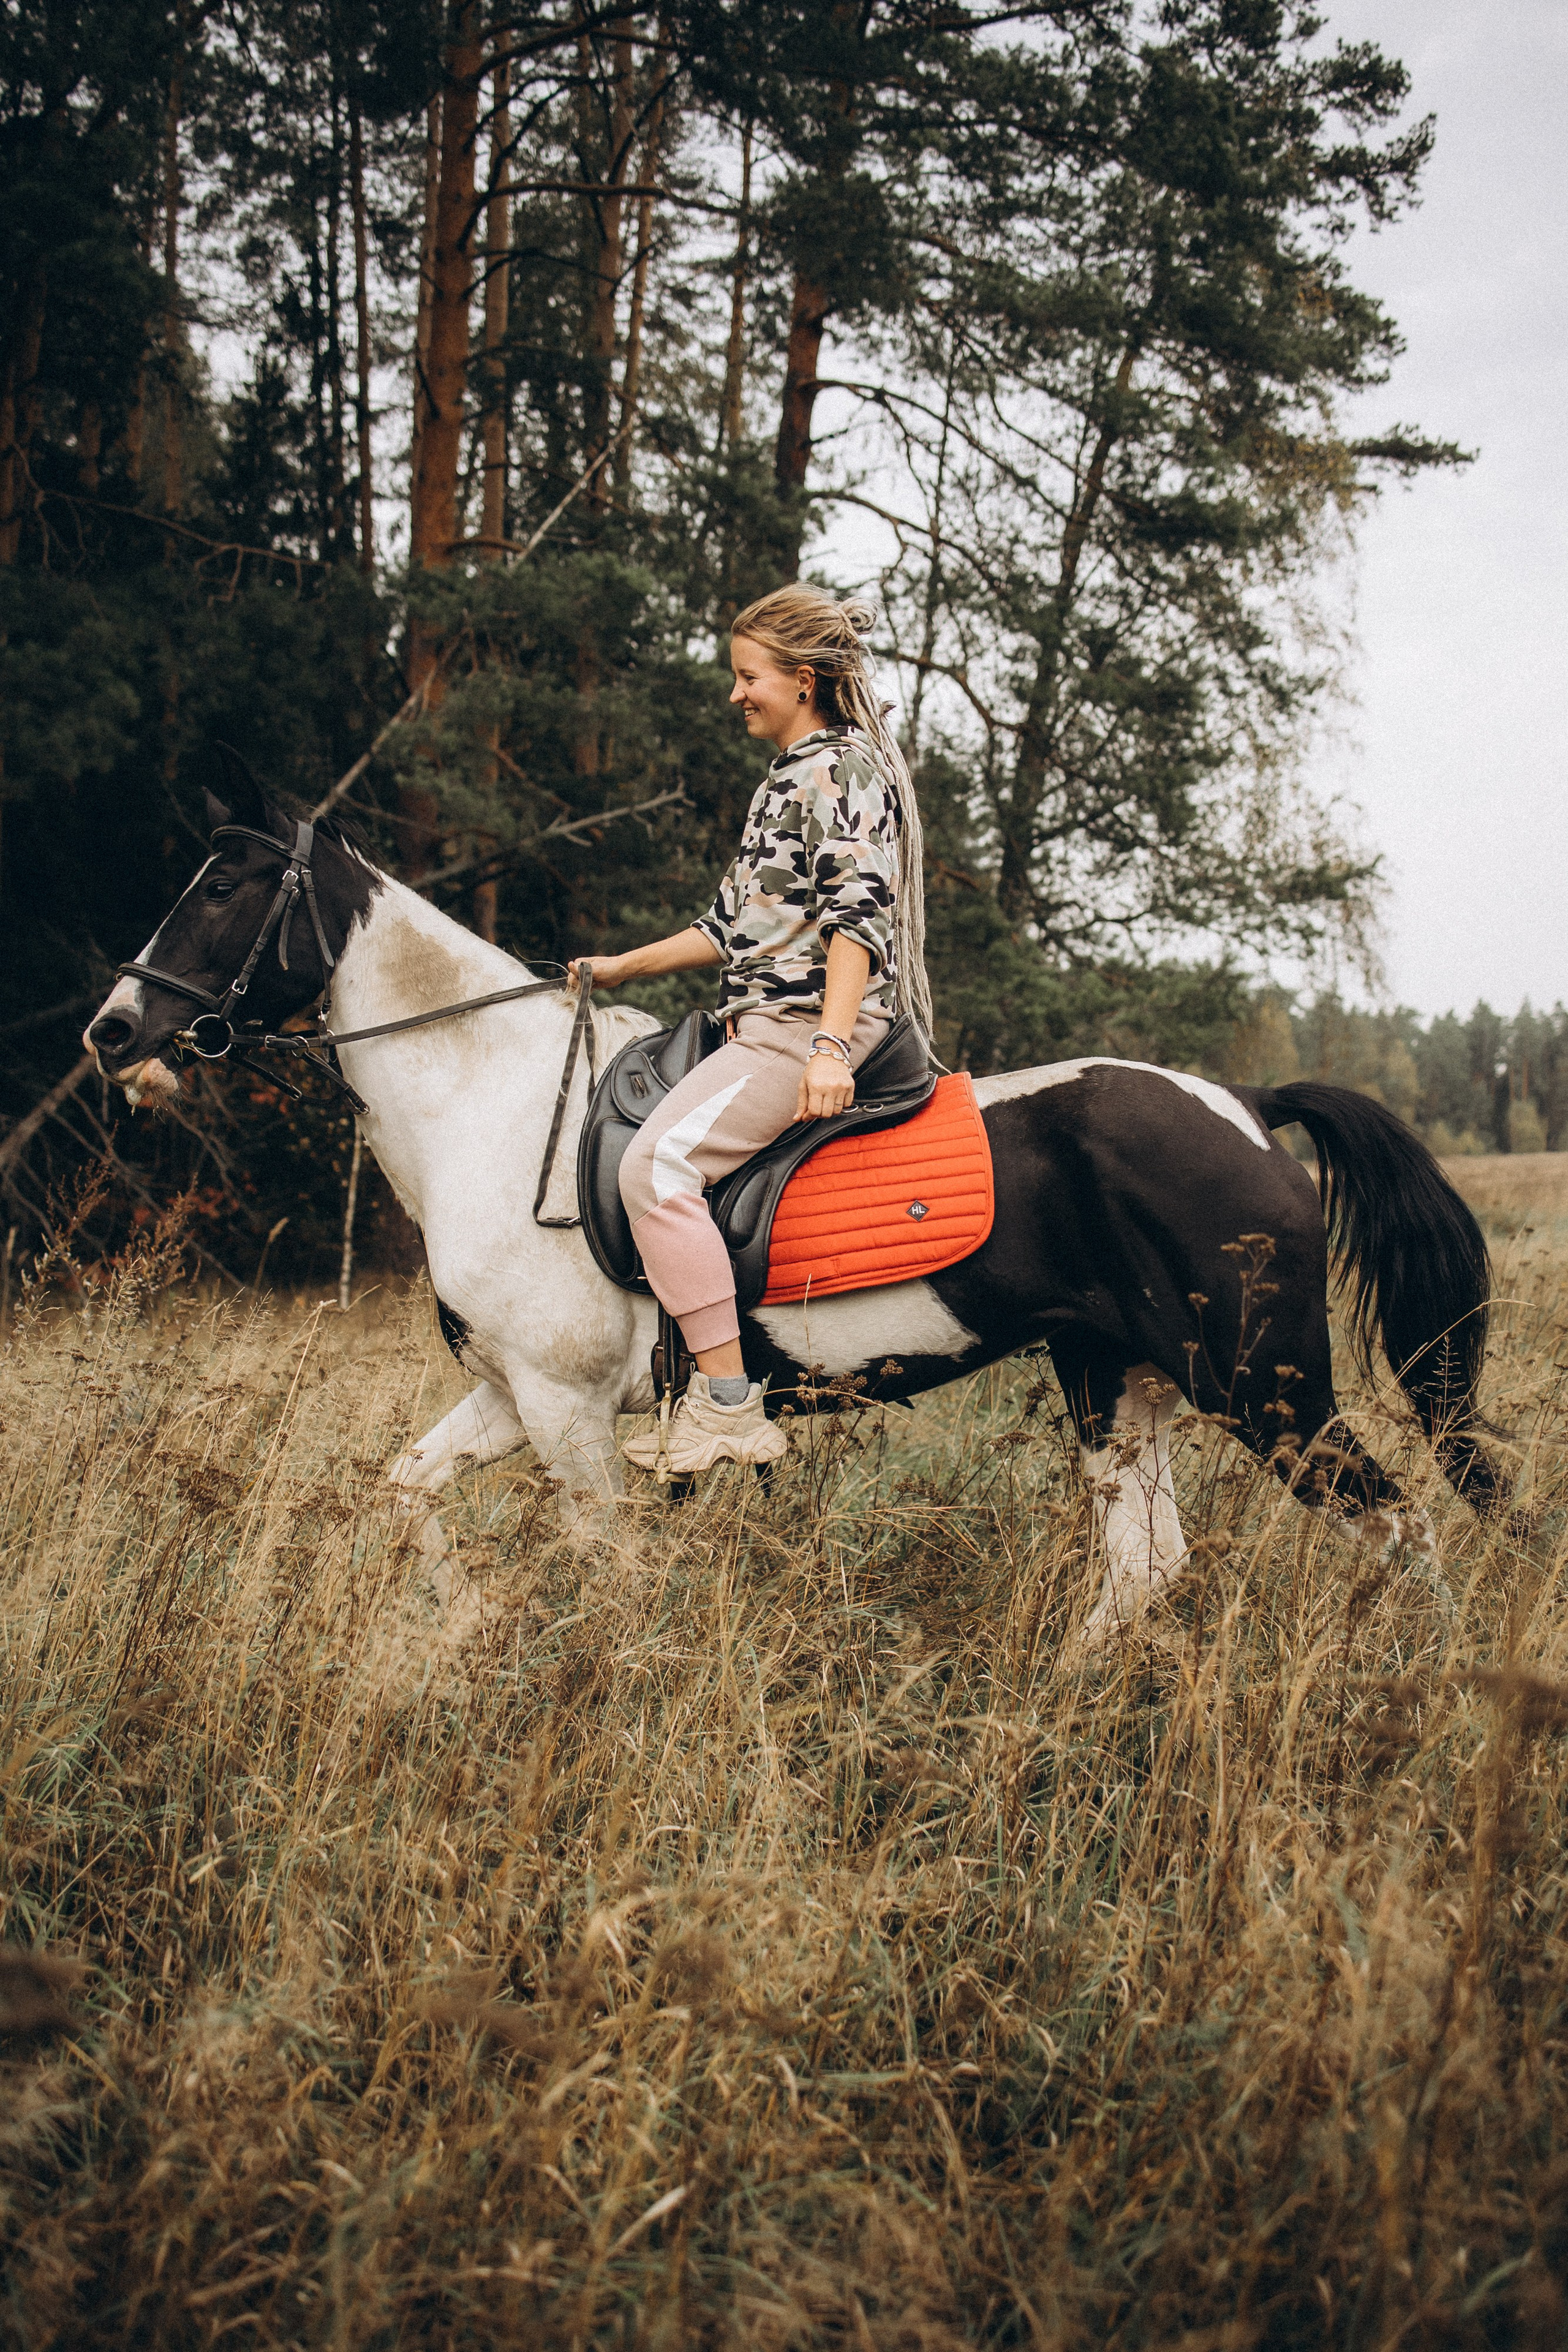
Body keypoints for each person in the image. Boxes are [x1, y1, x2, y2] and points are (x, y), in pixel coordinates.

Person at [577, 584, 934, 1474]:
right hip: (763, 1026)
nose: (736, 694)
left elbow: (860, 919)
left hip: (801, 1030)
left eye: (749, 677)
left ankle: (729, 1404)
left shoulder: (839, 770)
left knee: (655, 1168)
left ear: (803, 680)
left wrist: (826, 1045)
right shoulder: (787, 777)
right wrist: (623, 967)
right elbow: (728, 929)